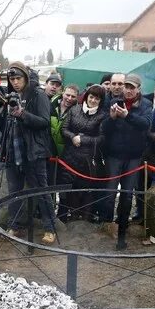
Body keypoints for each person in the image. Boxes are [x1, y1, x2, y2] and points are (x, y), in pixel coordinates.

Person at [0, 61, 56, 244]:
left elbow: (45, 122)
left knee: (41, 190)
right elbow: (3, 123)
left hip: (34, 151)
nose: (15, 82)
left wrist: (23, 114)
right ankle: (14, 226)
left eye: (18, 78)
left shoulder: (38, 95)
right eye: (12, 78)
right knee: (14, 191)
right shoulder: (11, 96)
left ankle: (50, 228)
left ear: (26, 77)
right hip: (13, 151)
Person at [100, 73, 153, 249]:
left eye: (132, 87)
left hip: (133, 156)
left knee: (127, 195)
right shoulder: (113, 101)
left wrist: (127, 115)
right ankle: (107, 225)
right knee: (109, 192)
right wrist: (112, 118)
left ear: (138, 89)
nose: (128, 90)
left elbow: (145, 124)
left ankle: (122, 231)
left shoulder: (145, 104)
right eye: (126, 87)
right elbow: (104, 128)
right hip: (114, 154)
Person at [56, 84, 106, 222]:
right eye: (91, 97)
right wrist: (72, 137)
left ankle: (82, 219)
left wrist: (83, 139)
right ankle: (62, 217)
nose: (93, 100)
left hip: (87, 159)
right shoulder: (74, 109)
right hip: (69, 156)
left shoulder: (102, 115)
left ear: (101, 100)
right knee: (66, 189)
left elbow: (102, 138)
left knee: (85, 190)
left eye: (97, 98)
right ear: (86, 96)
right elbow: (64, 128)